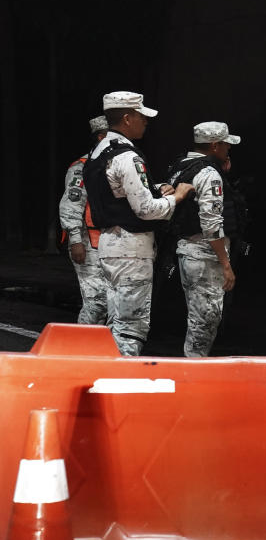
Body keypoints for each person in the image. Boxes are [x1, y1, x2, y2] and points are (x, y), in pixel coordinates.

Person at [83, 92, 194, 356]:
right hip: (131, 249)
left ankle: (102, 377)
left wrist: (155, 188)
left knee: (114, 321)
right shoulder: (126, 156)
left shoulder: (98, 151)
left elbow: (115, 193)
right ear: (126, 118)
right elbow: (145, 210)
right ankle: (119, 386)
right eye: (141, 116)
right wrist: (177, 197)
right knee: (130, 328)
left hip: (109, 245)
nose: (145, 121)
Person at [166, 122, 242, 357]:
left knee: (198, 318)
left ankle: (194, 367)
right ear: (214, 145)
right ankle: (194, 374)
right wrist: (225, 264)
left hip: (187, 251)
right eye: (225, 146)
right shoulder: (208, 173)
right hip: (204, 255)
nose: (228, 150)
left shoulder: (182, 166)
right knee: (205, 321)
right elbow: (211, 225)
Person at [58, 115, 109, 326]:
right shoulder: (82, 167)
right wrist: (75, 241)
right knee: (97, 303)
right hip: (88, 242)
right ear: (100, 137)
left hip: (109, 242)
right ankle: (80, 347)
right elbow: (71, 205)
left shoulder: (114, 163)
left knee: (110, 304)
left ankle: (100, 351)